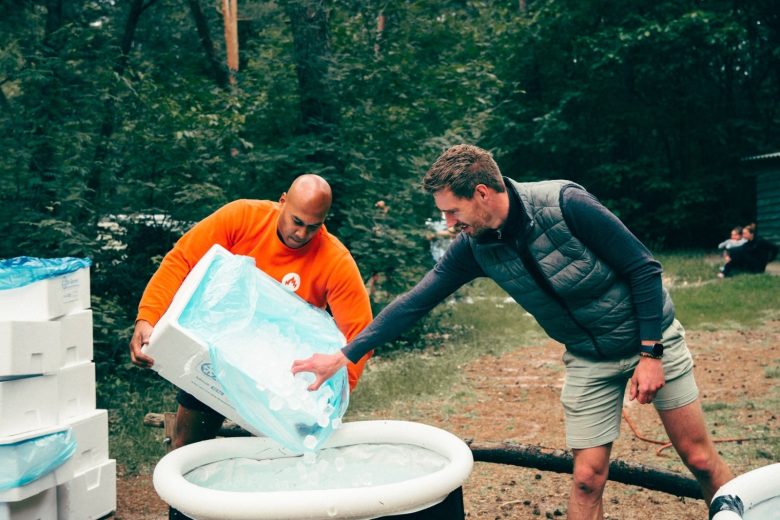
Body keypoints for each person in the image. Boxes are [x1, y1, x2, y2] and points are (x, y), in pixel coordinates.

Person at [292, 145, 733, 519]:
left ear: (481, 193)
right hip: (587, 356)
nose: (449, 224)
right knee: (585, 480)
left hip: (649, 337)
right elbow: (415, 302)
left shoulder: (564, 204)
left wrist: (651, 353)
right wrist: (345, 354)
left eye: (452, 211)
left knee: (698, 459)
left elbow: (643, 268)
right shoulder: (474, 248)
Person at [129, 174, 373, 519]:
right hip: (217, 356)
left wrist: (325, 403)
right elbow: (181, 259)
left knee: (275, 467)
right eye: (297, 221)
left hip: (282, 378)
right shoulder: (241, 217)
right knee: (186, 446)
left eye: (313, 227)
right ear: (282, 201)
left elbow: (361, 338)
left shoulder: (335, 260)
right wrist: (147, 318)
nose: (301, 234)